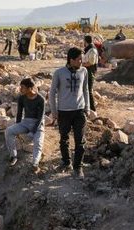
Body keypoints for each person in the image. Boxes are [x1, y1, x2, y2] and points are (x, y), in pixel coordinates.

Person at [49, 47, 90, 179]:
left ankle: (78, 167)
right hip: (64, 112)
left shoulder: (84, 71)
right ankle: (66, 162)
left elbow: (86, 90)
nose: (81, 62)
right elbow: (52, 93)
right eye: (79, 59)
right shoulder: (59, 73)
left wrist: (87, 108)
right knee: (64, 139)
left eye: (81, 59)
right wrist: (54, 111)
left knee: (80, 141)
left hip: (79, 111)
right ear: (71, 60)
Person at [5, 78, 46, 174]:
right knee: (9, 131)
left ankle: (35, 164)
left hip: (38, 124)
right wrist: (17, 127)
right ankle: (13, 156)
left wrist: (33, 131)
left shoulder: (41, 99)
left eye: (23, 88)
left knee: (38, 143)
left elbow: (40, 117)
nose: (20, 90)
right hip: (26, 122)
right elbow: (19, 114)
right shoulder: (22, 98)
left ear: (30, 88)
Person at [82, 35, 99, 112]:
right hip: (87, 72)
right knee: (85, 90)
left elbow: (91, 63)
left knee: (89, 90)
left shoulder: (92, 50)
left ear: (86, 41)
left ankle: (92, 109)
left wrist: (81, 65)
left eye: (84, 41)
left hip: (90, 72)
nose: (83, 42)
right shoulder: (88, 49)